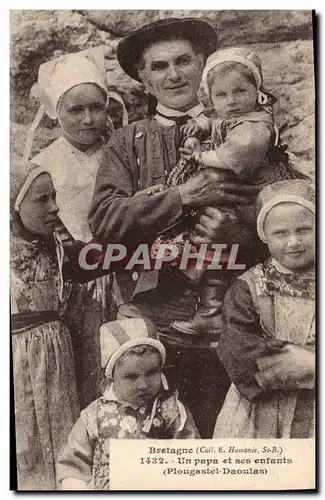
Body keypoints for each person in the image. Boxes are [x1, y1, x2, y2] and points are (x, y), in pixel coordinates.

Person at [89, 18, 262, 438]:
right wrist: (182, 197)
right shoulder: (127, 142)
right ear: (145, 80)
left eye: (184, 61)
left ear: (202, 65)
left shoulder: (248, 128)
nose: (174, 74)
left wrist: (235, 230)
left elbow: (290, 216)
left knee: (232, 443)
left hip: (234, 318)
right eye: (160, 66)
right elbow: (105, 222)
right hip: (153, 323)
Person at [151, 47, 308, 336]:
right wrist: (202, 124)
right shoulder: (234, 116)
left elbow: (234, 157)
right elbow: (218, 122)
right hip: (236, 193)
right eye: (221, 95)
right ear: (211, 98)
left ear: (256, 91)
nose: (232, 101)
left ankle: (213, 310)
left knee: (217, 239)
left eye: (240, 92)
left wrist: (200, 157)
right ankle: (206, 301)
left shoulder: (255, 125)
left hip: (255, 196)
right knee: (209, 237)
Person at [31, 47, 127, 409]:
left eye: (96, 108)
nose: (88, 119)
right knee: (86, 363)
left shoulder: (120, 150)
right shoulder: (45, 164)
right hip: (76, 282)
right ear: (57, 114)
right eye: (75, 110)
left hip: (122, 270)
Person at [213, 180, 315, 438]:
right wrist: (291, 362)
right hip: (259, 416)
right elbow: (236, 348)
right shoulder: (249, 287)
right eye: (280, 233)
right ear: (264, 236)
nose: (293, 242)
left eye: (304, 229)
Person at [56, 318, 199, 490]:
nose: (143, 384)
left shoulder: (171, 410)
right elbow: (74, 463)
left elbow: (190, 456)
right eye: (131, 376)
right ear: (111, 377)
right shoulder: (96, 414)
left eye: (152, 372)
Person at [11, 160, 80, 490]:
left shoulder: (57, 246)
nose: (54, 208)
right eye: (41, 200)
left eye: (54, 197)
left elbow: (103, 257)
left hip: (56, 360)